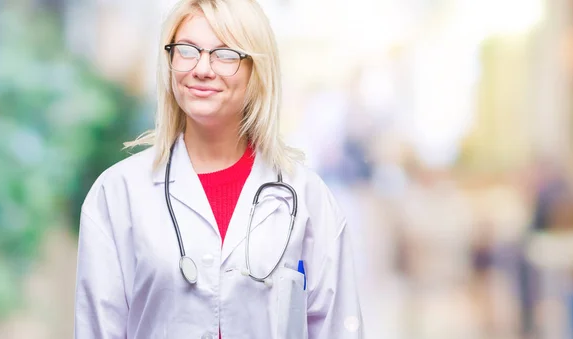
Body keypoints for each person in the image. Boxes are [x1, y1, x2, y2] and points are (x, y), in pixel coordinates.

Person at [73, 0, 363, 338]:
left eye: (225, 54)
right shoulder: (117, 193)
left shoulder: (307, 197)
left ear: (256, 70)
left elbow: (337, 327)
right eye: (187, 50)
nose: (202, 69)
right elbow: (98, 329)